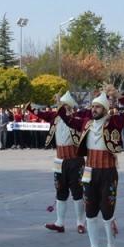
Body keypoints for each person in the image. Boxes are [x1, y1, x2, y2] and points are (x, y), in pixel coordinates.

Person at [58, 85, 124, 247]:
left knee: (107, 211)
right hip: (89, 172)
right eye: (93, 106)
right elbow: (67, 120)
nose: (94, 109)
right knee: (90, 211)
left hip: (108, 173)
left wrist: (118, 95)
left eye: (98, 107)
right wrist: (61, 105)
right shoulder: (86, 124)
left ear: (105, 109)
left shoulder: (114, 122)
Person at [27, 93, 89, 235]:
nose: (61, 107)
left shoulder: (77, 118)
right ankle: (59, 223)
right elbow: (40, 113)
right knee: (60, 191)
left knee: (78, 192)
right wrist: (29, 107)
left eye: (64, 105)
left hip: (75, 160)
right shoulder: (55, 117)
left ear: (70, 106)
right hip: (60, 160)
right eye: (61, 105)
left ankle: (80, 223)